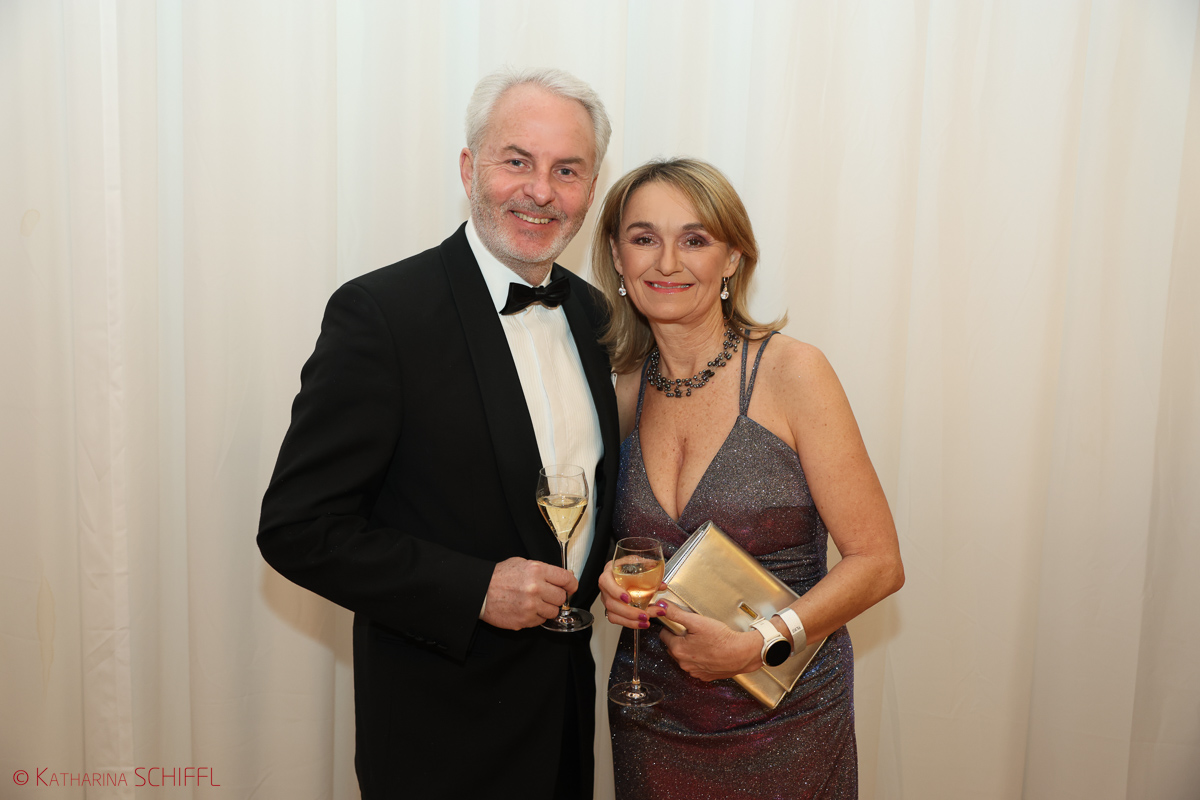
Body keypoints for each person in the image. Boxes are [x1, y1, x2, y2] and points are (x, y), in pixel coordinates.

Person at [258, 67, 619, 800]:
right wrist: (474, 589)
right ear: (468, 168)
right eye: (516, 160)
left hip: (564, 724)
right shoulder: (382, 314)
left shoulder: (594, 315)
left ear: (590, 187)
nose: (541, 190)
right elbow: (298, 529)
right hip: (437, 738)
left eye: (567, 170)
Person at [593, 158, 905, 799]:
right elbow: (621, 546)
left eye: (695, 239)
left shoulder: (793, 373)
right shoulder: (622, 393)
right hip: (652, 719)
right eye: (644, 238)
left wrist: (760, 643)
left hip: (787, 720)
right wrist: (614, 584)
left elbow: (879, 564)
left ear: (732, 259)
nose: (667, 262)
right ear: (618, 258)